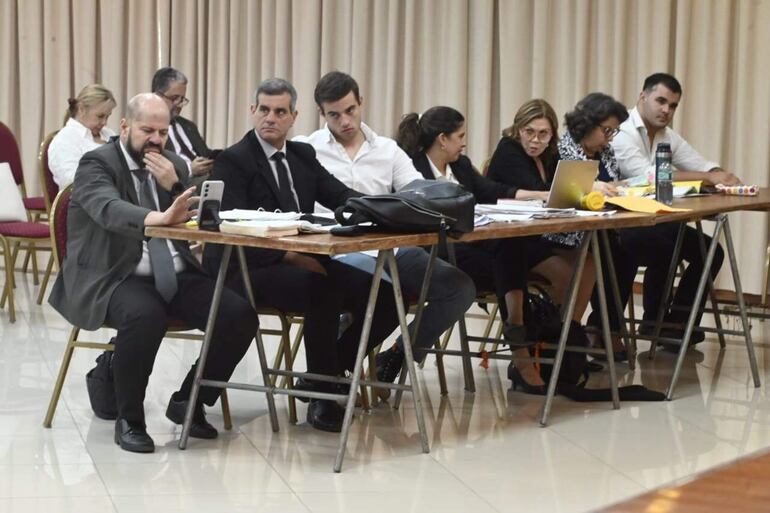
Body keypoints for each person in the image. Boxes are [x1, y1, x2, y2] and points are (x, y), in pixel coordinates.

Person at [48, 93, 258, 453]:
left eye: (163, 131)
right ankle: (130, 419)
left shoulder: (172, 163)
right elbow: (109, 209)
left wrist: (175, 186)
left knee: (239, 315)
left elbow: (196, 216)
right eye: (147, 130)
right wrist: (158, 218)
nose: (156, 139)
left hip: (175, 271)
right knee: (146, 315)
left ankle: (190, 402)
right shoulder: (96, 164)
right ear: (126, 127)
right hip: (115, 274)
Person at [203, 78, 399, 431]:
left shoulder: (302, 155)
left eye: (280, 112)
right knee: (321, 289)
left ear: (294, 117)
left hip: (305, 258)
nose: (270, 118)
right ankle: (323, 396)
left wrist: (387, 209)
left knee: (384, 294)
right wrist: (289, 256)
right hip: (249, 266)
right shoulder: (234, 160)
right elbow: (231, 228)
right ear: (252, 111)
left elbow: (340, 194)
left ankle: (322, 373)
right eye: (264, 110)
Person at [296, 71, 475, 391]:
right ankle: (332, 371)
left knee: (459, 287)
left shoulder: (388, 150)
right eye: (334, 114)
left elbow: (421, 193)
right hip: (332, 253)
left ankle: (394, 355)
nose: (344, 121)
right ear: (322, 114)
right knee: (386, 291)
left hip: (388, 249)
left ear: (361, 103)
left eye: (350, 110)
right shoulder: (305, 149)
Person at [397, 105, 548, 395]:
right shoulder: (412, 168)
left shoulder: (461, 166)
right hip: (435, 252)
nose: (464, 142)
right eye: (460, 136)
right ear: (443, 139)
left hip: (471, 245)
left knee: (511, 250)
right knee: (510, 269)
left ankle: (519, 339)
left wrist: (541, 196)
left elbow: (492, 190)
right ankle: (519, 346)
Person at [611, 73, 728, 342]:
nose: (666, 110)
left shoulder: (666, 135)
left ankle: (677, 324)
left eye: (673, 105)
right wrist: (709, 177)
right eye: (661, 101)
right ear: (643, 96)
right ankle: (655, 323)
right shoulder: (622, 131)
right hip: (624, 224)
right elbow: (648, 175)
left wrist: (720, 173)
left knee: (711, 251)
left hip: (656, 220)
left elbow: (698, 162)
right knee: (667, 246)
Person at [486, 99, 596, 324]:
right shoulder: (508, 149)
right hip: (507, 242)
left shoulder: (549, 154)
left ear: (552, 134)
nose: (535, 140)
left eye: (543, 134)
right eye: (529, 132)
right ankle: (546, 337)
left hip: (538, 236)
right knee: (567, 275)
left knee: (590, 264)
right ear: (518, 129)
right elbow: (541, 191)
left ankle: (569, 333)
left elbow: (561, 187)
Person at [152, 67, 218, 188]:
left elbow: (205, 154)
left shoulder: (188, 126)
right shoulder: (150, 129)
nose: (179, 104)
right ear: (157, 95)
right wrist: (189, 169)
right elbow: (154, 168)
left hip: (206, 180)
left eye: (182, 99)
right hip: (177, 186)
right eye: (174, 98)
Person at [48, 84, 117, 187]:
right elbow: (71, 182)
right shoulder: (64, 140)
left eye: (107, 117)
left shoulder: (108, 133)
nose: (104, 122)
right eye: (100, 116)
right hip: (87, 199)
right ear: (81, 109)